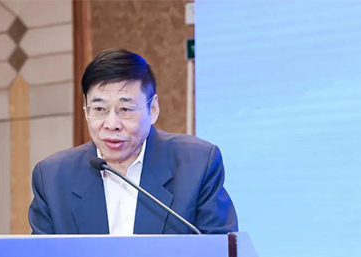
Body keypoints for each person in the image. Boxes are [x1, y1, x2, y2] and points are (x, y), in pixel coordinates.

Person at [29, 48, 237, 235]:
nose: (111, 124)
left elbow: (220, 255)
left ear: (153, 109)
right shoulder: (52, 178)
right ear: (85, 110)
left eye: (125, 109)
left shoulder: (197, 165)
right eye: (99, 109)